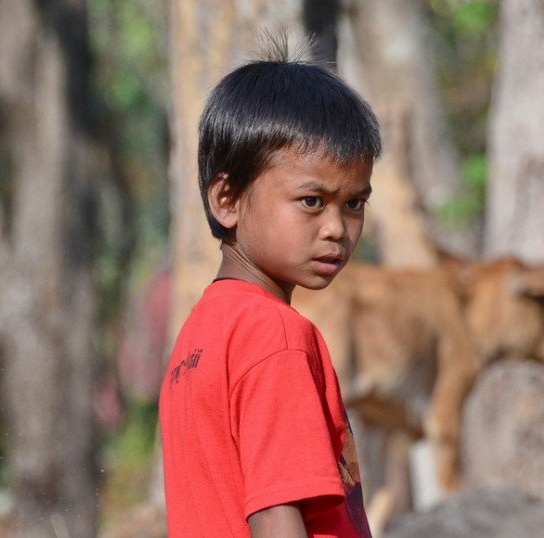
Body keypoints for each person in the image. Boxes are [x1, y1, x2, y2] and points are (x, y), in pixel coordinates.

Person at [159, 36, 381, 538]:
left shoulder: (199, 337)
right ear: (228, 200)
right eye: (311, 201)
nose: (336, 228)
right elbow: (275, 514)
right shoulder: (274, 334)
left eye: (354, 204)